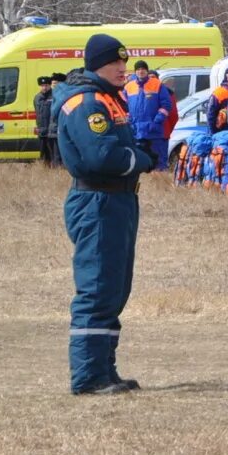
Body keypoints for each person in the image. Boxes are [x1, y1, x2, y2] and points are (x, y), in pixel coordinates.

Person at [56, 34, 157, 394]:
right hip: (98, 202)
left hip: (118, 202)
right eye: (115, 62)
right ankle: (88, 378)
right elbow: (102, 157)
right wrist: (141, 160)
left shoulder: (108, 99)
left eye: (124, 62)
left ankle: (104, 370)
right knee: (97, 289)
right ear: (96, 64)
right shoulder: (86, 103)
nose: (123, 68)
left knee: (114, 289)